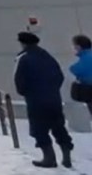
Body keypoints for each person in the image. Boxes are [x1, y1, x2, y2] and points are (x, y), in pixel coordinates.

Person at [14, 31, 73, 168]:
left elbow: (20, 80)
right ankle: (66, 155)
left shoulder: (23, 58)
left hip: (35, 99)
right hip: (53, 98)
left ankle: (49, 158)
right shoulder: (47, 56)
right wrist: (52, 90)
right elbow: (59, 76)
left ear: (23, 43)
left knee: (39, 129)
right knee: (58, 126)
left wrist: (25, 91)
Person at [68, 34, 92, 115]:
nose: (74, 48)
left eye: (74, 46)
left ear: (78, 47)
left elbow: (76, 69)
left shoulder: (86, 58)